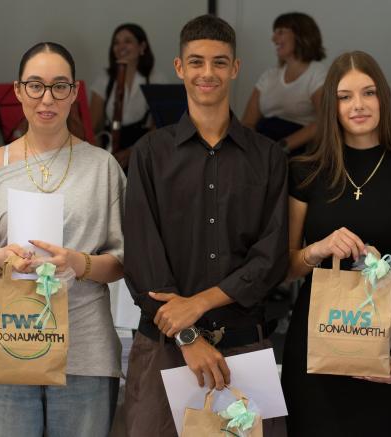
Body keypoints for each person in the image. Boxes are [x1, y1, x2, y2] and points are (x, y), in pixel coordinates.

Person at [121, 15, 288, 437]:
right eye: (196, 62)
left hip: (244, 345)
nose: (207, 73)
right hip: (165, 347)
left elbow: (271, 257)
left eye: (219, 62)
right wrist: (189, 335)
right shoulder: (149, 154)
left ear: (235, 68)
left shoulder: (268, 157)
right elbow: (142, 257)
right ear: (180, 68)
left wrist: (197, 305)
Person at [0, 42, 126, 437]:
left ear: (75, 92)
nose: (47, 98)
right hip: (6, 342)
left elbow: (121, 262)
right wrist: (0, 258)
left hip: (83, 351)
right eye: (35, 85)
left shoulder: (103, 168)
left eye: (59, 86)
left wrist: (76, 262)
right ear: (17, 91)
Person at [281, 51, 391, 436]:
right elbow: (283, 269)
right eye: (345, 96)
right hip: (313, 344)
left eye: (368, 93)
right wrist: (316, 250)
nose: (358, 105)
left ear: (382, 99)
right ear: (330, 106)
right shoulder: (305, 172)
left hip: (382, 340)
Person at [241, 12, 327, 155]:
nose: (274, 39)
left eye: (280, 32)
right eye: (275, 33)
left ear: (301, 35)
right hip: (263, 147)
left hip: (296, 151)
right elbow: (248, 123)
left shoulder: (318, 74)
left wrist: (282, 146)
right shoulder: (269, 76)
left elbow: (323, 122)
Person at [89, 23, 160, 166]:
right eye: (116, 43)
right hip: (109, 151)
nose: (121, 47)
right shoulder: (104, 79)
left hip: (143, 152)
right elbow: (93, 125)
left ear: (142, 47)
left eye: (128, 41)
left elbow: (158, 128)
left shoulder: (155, 79)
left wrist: (132, 152)